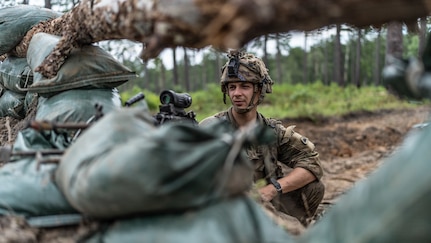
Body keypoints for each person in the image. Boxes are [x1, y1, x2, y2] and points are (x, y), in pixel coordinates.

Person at [199, 50, 325, 226]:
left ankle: (290, 225)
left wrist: (273, 189)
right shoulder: (211, 127)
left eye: (244, 86)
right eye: (232, 87)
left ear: (259, 90)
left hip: (267, 203)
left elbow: (312, 162)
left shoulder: (271, 131)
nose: (236, 93)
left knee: (314, 188)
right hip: (227, 208)